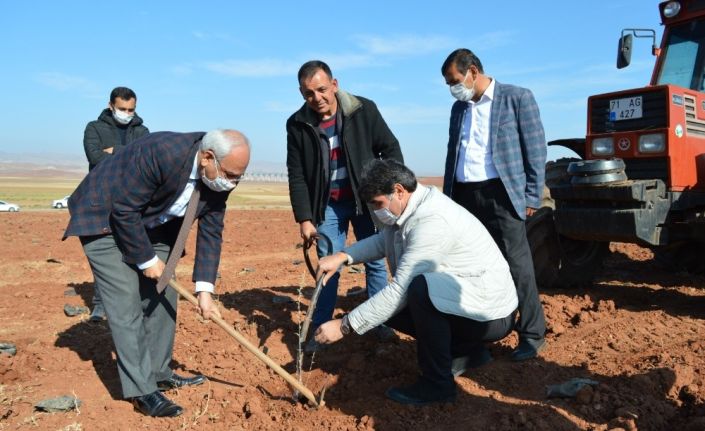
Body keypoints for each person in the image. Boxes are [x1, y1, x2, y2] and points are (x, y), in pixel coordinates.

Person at [64, 129, 250, 417]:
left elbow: (211, 233)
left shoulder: (218, 182)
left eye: (239, 176)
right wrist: (147, 259)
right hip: (104, 217)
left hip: (151, 223)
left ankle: (158, 373)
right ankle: (142, 390)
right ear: (207, 158)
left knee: (164, 291)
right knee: (125, 298)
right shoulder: (164, 152)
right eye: (229, 174)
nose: (233, 182)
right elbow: (124, 211)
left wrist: (205, 291)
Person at [314, 159, 518, 406]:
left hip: (491, 315)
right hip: (474, 303)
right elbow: (382, 243)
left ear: (399, 190)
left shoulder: (431, 220)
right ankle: (468, 352)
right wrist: (344, 256)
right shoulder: (406, 210)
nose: (376, 211)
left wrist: (345, 326)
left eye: (378, 203)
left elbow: (401, 289)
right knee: (386, 307)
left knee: (419, 290)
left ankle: (438, 385)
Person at [286, 60, 404, 352]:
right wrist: (304, 218)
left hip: (368, 202)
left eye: (322, 90)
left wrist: (389, 190)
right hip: (328, 206)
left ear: (335, 85)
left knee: (376, 261)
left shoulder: (363, 110)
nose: (317, 98)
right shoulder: (297, 124)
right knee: (328, 264)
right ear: (302, 94)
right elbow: (297, 173)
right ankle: (320, 327)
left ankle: (379, 323)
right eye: (309, 93)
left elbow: (390, 148)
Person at [440, 48, 547, 361]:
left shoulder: (517, 98)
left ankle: (532, 335)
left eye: (455, 80)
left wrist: (531, 196)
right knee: (471, 267)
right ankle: (477, 339)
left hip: (502, 193)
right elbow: (452, 153)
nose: (452, 88)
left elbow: (536, 150)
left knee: (518, 265)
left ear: (473, 71)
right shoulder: (458, 109)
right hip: (464, 195)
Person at [82, 86, 150, 321]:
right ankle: (100, 305)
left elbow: (144, 161)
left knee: (133, 247)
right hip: (101, 197)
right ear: (111, 105)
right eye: (122, 108)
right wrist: (128, 154)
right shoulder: (94, 128)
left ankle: (136, 300)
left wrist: (115, 151)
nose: (127, 113)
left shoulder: (143, 130)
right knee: (104, 253)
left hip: (133, 199)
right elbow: (95, 157)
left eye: (131, 109)